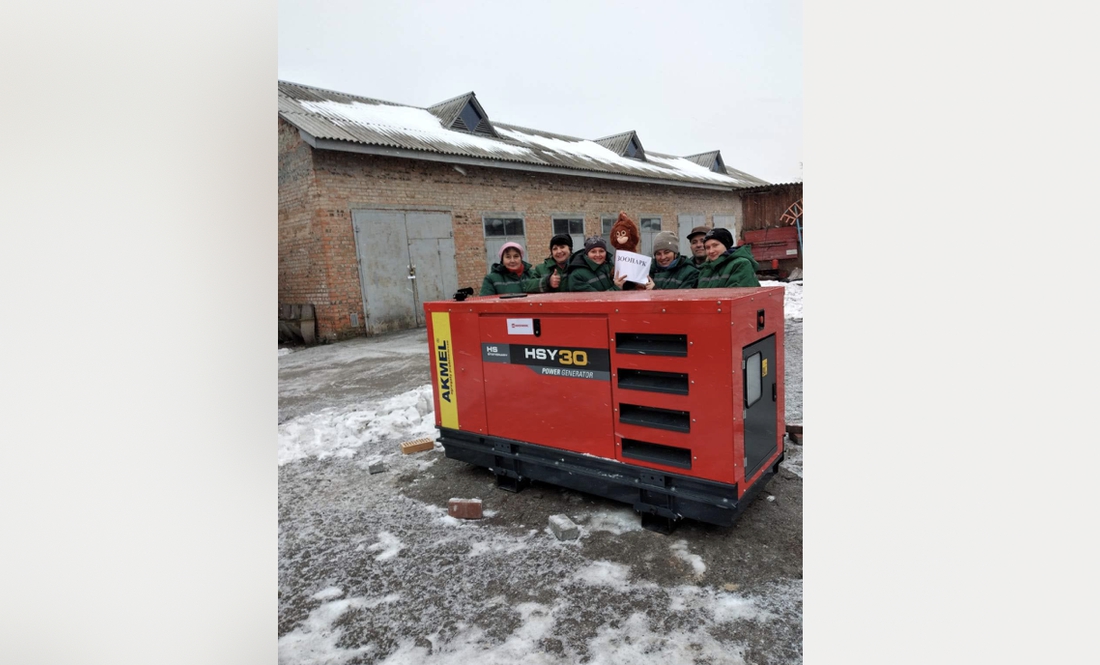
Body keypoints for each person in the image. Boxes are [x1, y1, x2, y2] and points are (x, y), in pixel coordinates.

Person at [696, 228, 761, 288]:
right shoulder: (705, 269)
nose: (711, 251)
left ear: (726, 246)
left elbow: (736, 295)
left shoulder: (740, 264)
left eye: (715, 245)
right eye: (707, 247)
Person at [479, 242, 544, 295]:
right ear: (502, 260)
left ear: (521, 258)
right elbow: (484, 304)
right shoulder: (491, 279)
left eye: (516, 256)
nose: (512, 260)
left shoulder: (533, 274)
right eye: (508, 257)